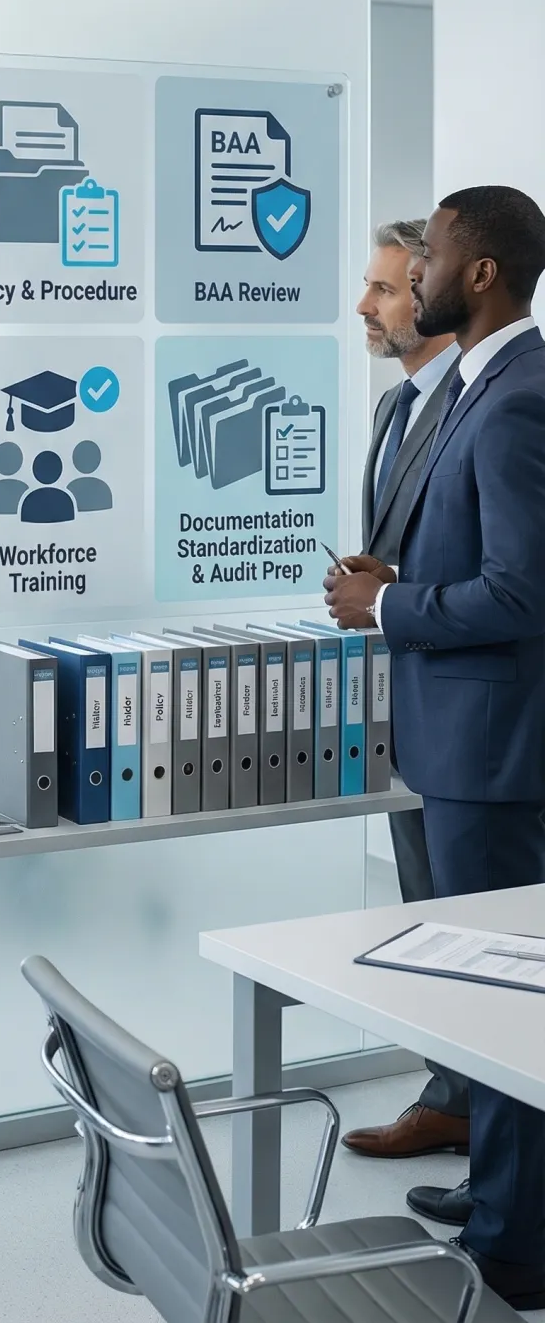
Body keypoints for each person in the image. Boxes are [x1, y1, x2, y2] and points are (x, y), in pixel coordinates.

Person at [326, 185, 545, 1309]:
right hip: (454, 737)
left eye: (433, 260)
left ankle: (517, 1238)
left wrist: (393, 610)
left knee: (505, 997)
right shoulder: (479, 384)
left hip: (494, 751)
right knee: (477, 988)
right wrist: (400, 588)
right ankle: (504, 1189)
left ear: (483, 273)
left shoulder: (515, 398)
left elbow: (523, 587)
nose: (415, 284)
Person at [343, 221, 466, 1163]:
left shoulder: (484, 403)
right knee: (425, 910)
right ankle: (456, 1095)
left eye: (387, 290)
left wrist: (389, 600)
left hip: (469, 706)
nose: (369, 308)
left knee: (471, 928)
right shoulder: (395, 408)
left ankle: (470, 1101)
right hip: (410, 700)